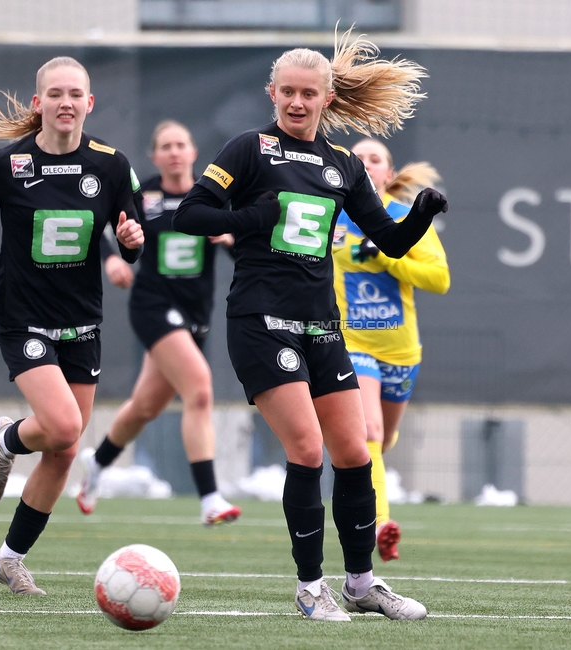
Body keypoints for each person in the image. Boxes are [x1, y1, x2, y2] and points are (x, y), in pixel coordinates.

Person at [174, 30, 447, 621]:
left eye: (308, 94)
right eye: (287, 93)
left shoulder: (343, 164)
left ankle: (362, 584)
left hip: (321, 324)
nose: (297, 103)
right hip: (259, 321)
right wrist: (250, 216)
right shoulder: (249, 148)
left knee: (352, 451)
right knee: (306, 447)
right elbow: (192, 213)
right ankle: (308, 587)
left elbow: (392, 239)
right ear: (271, 93)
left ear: (328, 99)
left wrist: (420, 214)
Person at [0, 56, 144, 596]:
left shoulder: (111, 164)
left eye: (75, 93)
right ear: (38, 103)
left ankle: (10, 557)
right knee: (62, 427)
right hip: (23, 318)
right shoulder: (9, 164)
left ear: (89, 103)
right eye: (54, 93)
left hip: (83, 323)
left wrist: (131, 244)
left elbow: (134, 225)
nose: (65, 102)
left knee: (65, 448)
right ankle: (7, 439)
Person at [77, 120, 241, 526]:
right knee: (200, 390)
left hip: (195, 317)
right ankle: (210, 499)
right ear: (154, 156)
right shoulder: (143, 195)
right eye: (165, 146)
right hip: (153, 306)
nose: (173, 152)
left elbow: (244, 253)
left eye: (180, 144)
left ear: (193, 152)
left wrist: (231, 239)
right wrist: (112, 257)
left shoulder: (211, 199)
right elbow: (95, 220)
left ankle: (96, 467)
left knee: (145, 407)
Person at [332, 139, 450, 563]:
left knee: (382, 438)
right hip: (352, 344)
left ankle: (376, 463)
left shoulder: (405, 217)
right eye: (356, 159)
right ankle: (381, 525)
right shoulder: (330, 215)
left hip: (400, 351)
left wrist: (387, 257)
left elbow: (439, 280)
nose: (365, 164)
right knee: (369, 433)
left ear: (388, 173)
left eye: (374, 159)